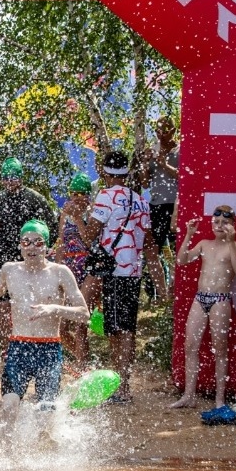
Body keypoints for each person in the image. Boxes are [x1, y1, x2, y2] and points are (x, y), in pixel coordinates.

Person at [0, 220, 88, 431]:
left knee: (45, 416)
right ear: (20, 245)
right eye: (26, 242)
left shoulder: (60, 272)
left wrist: (54, 309)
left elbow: (84, 314)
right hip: (19, 348)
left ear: (47, 247)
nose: (31, 247)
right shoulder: (10, 270)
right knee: (9, 409)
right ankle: (7, 457)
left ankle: (44, 453)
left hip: (49, 349)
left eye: (38, 243)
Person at [86, 151, 166, 403]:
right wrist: (161, 282)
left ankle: (120, 387)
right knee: (128, 327)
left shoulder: (105, 196)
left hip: (113, 271)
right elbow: (151, 244)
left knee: (116, 330)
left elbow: (89, 235)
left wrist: (77, 218)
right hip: (133, 271)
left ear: (105, 173)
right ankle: (124, 382)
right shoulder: (141, 200)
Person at [170, 205, 236, 416]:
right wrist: (188, 235)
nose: (220, 226)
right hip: (200, 298)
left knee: (220, 349)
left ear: (232, 226)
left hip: (221, 299)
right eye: (216, 222)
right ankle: (189, 395)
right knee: (190, 345)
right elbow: (182, 260)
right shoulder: (204, 243)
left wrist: (230, 242)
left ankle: (219, 399)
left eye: (225, 223)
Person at [0, 157, 58, 360]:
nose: (10, 181)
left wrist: (43, 250)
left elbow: (52, 228)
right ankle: (7, 351)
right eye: (6, 178)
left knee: (28, 307)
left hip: (31, 262)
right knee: (3, 308)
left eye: (13, 177)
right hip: (3, 262)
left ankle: (33, 350)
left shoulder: (35, 199)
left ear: (21, 178)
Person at [54, 173, 100, 372]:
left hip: (88, 268)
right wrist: (55, 269)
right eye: (74, 194)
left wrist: (79, 218)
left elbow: (90, 242)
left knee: (81, 325)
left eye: (81, 194)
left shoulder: (94, 213)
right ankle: (85, 362)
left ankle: (82, 367)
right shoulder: (65, 212)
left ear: (88, 196)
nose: (77, 198)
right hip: (69, 268)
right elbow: (61, 243)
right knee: (61, 328)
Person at [142, 116, 180, 256]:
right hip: (156, 205)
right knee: (153, 249)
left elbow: (186, 178)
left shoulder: (181, 150)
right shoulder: (153, 150)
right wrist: (145, 163)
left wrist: (165, 165)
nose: (160, 134)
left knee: (177, 247)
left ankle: (176, 276)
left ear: (173, 131)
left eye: (164, 130)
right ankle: (158, 276)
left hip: (175, 205)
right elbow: (145, 184)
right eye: (157, 131)